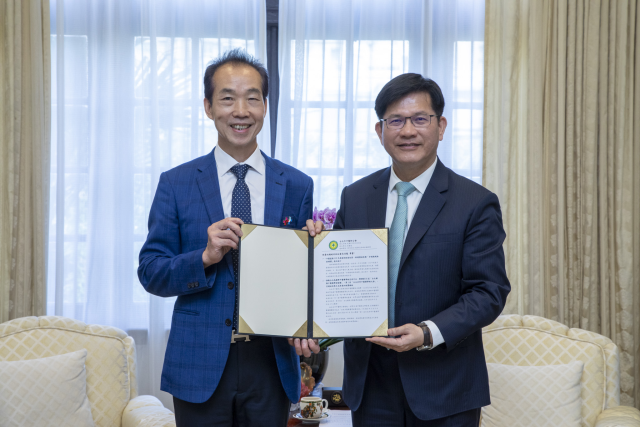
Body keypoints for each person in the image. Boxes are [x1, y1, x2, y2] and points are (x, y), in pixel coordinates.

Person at [138, 48, 322, 427]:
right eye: (227, 99)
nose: (241, 111)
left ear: (265, 107)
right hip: (199, 362)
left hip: (271, 362)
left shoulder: (297, 184)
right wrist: (204, 257)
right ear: (208, 107)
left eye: (252, 98)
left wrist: (318, 254)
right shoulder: (176, 183)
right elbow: (151, 272)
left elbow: (300, 278)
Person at [335, 74, 511, 426]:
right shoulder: (355, 197)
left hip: (444, 386)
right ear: (380, 130)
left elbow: (488, 292)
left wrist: (428, 332)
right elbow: (336, 279)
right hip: (371, 384)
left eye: (419, 119)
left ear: (440, 126)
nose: (407, 131)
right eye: (395, 121)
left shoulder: (474, 202)